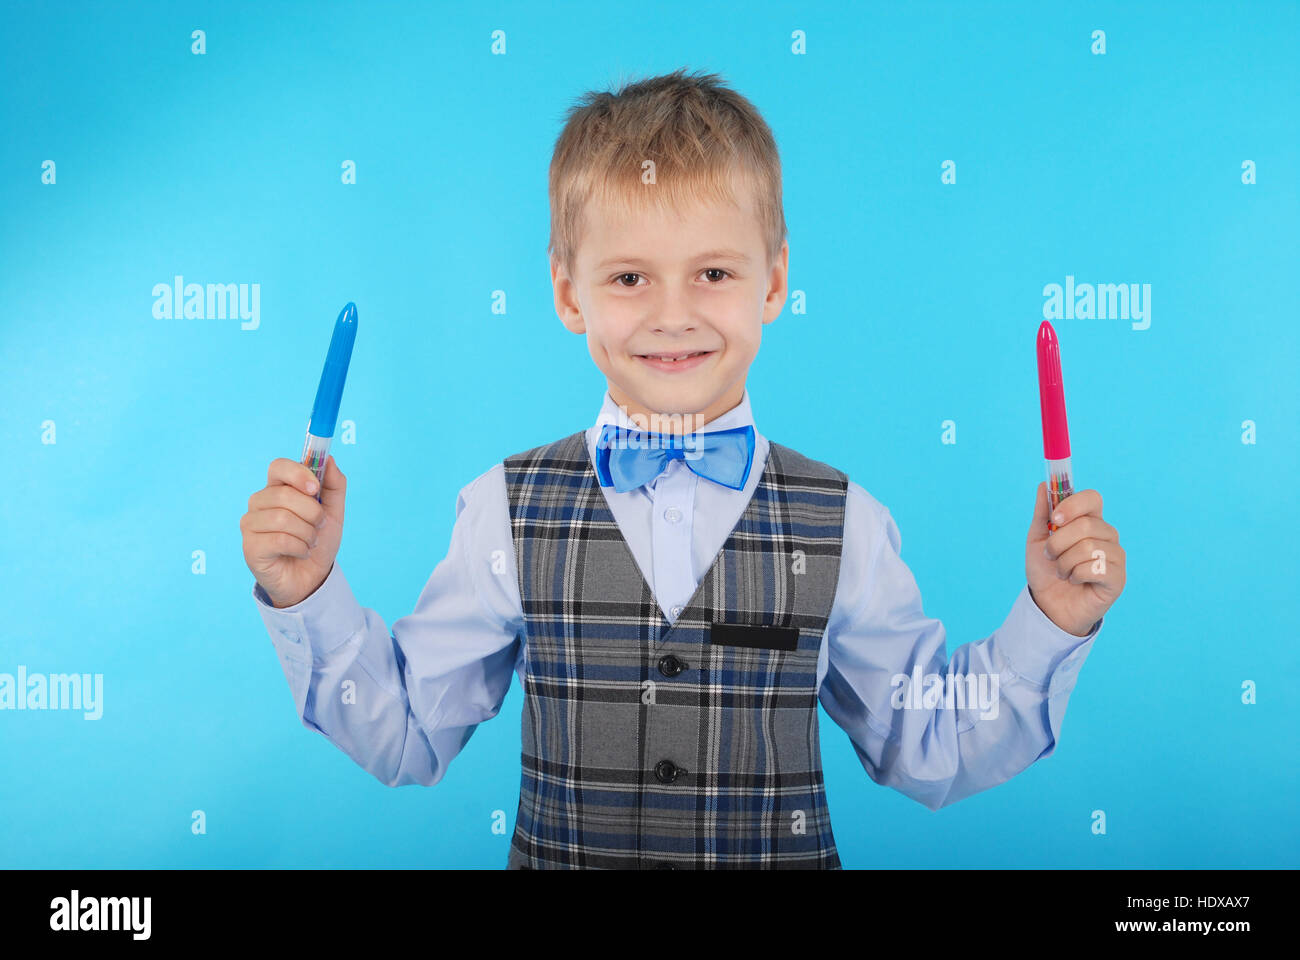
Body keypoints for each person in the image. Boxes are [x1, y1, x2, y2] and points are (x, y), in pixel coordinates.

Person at [239, 67, 1126, 869]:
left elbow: (930, 741)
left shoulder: (845, 521)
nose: (673, 314)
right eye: (629, 278)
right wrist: (307, 593)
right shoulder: (503, 510)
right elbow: (404, 734)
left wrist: (1051, 618)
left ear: (772, 282)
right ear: (567, 292)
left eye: (713, 273)